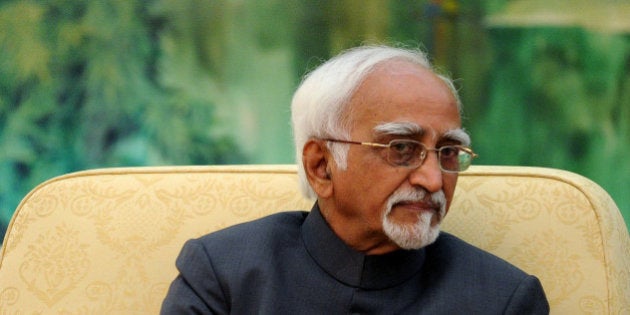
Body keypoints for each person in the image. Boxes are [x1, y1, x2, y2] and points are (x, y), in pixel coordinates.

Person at [161, 45, 550, 314]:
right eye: (401, 147)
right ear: (321, 167)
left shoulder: (503, 299)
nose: (434, 179)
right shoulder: (224, 276)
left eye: (448, 152)